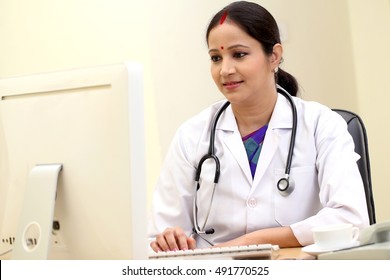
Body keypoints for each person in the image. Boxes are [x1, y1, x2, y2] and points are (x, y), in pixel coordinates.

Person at [148, 1, 369, 252]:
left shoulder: (321, 124)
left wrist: (247, 242)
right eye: (216, 58)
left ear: (273, 56)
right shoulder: (192, 136)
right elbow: (158, 234)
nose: (225, 70)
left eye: (239, 54)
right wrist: (168, 239)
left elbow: (352, 220)